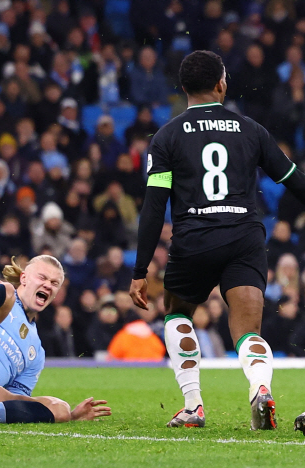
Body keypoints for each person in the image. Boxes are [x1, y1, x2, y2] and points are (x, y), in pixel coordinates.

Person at [128, 50, 305, 431]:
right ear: (221, 84)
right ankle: (260, 387)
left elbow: (154, 208)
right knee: (247, 331)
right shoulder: (251, 129)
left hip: (195, 238)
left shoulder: (167, 137)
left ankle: (193, 404)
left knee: (177, 313)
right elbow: (293, 180)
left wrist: (140, 269)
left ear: (182, 88)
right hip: (244, 236)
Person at [0, 257, 111, 424]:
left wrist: (64, 415)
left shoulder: (37, 352)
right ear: (24, 279)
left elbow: (16, 400)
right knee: (3, 291)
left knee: (61, 408)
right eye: (42, 278)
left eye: (54, 283)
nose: (48, 285)